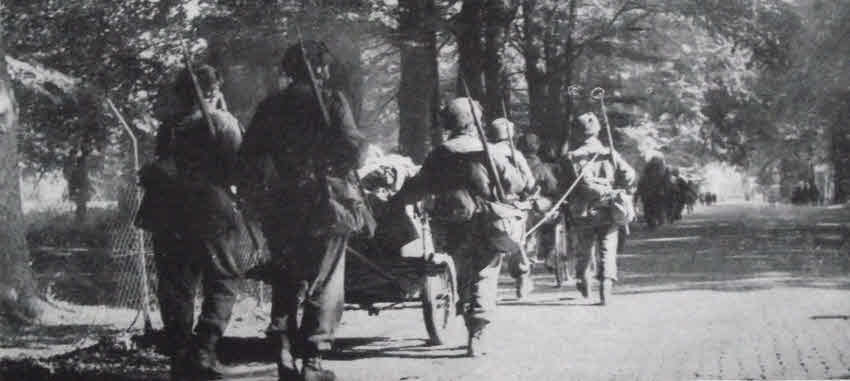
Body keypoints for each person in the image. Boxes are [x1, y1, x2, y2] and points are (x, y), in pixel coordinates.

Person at [239, 40, 373, 381]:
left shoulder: (271, 106)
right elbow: (354, 151)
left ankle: (283, 350)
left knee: (285, 276)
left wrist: (262, 193)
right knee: (324, 280)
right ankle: (313, 361)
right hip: (322, 201)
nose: (327, 71)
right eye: (324, 66)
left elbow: (248, 157)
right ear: (317, 69)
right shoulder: (330, 101)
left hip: (281, 202)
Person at [390, 97, 528, 357]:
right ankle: (477, 333)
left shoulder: (440, 153)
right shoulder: (490, 150)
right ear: (474, 122)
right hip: (487, 221)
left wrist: (395, 202)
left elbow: (418, 187)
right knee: (485, 273)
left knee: (462, 273)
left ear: (450, 123)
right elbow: (515, 184)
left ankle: (467, 317)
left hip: (451, 223)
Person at [136, 64, 246, 380]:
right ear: (213, 90)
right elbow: (239, 168)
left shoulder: (170, 126)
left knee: (176, 285)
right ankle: (204, 350)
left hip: (169, 214)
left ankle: (181, 356)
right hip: (210, 212)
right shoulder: (223, 123)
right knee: (223, 280)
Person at [562, 112, 635, 305]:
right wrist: (617, 181)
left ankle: (584, 283)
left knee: (584, 249)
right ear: (597, 131)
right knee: (607, 247)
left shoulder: (570, 157)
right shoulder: (609, 152)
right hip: (609, 209)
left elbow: (564, 186)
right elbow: (629, 175)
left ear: (577, 133)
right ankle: (605, 287)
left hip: (582, 211)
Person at [486, 118, 537, 298]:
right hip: (510, 204)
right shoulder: (515, 155)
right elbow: (529, 183)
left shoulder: (482, 151)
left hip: (484, 204)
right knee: (517, 240)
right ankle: (522, 276)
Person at [517, 133, 566, 284]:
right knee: (558, 215)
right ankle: (551, 255)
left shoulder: (514, 164)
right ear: (536, 147)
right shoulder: (542, 168)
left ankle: (525, 267)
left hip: (517, 208)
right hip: (536, 210)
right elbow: (553, 188)